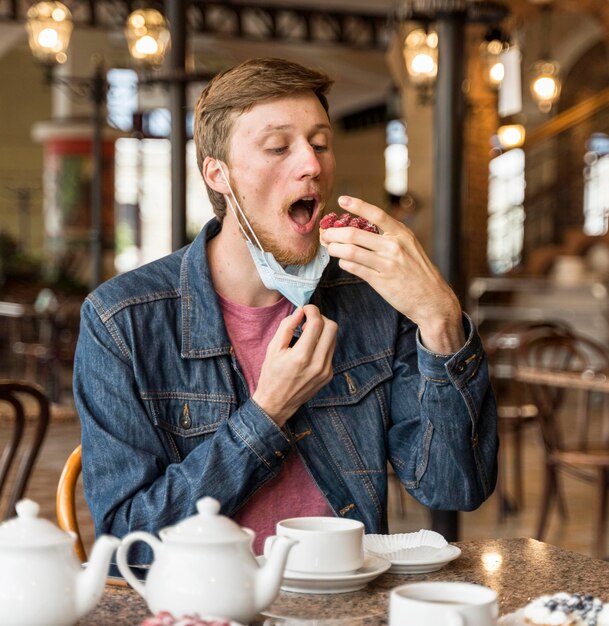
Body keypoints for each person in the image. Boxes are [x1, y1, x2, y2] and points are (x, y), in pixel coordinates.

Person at [73, 57, 498, 568]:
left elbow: (454, 486)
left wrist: (441, 320)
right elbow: (127, 549)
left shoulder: (370, 300)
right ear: (218, 175)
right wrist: (267, 412)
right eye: (279, 147)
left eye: (320, 144)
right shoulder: (121, 322)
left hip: (344, 606)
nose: (312, 165)